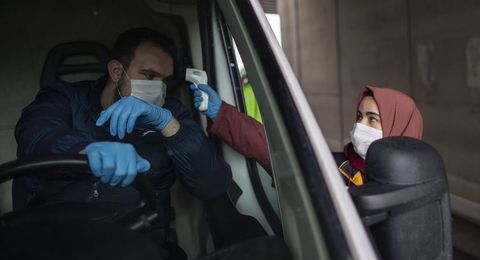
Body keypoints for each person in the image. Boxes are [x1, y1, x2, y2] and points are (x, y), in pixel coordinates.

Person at [15, 28, 232, 208]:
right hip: (64, 235)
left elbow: (212, 185)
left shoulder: (171, 112)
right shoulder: (64, 98)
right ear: (117, 71)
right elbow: (36, 135)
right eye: (149, 75)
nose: (158, 87)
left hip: (143, 236)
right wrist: (87, 152)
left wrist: (167, 124)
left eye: (164, 80)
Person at [189, 84, 423, 186]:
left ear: (399, 127)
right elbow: (274, 149)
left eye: (373, 119)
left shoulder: (417, 183)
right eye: (359, 116)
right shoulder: (338, 165)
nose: (360, 126)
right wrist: (222, 114)